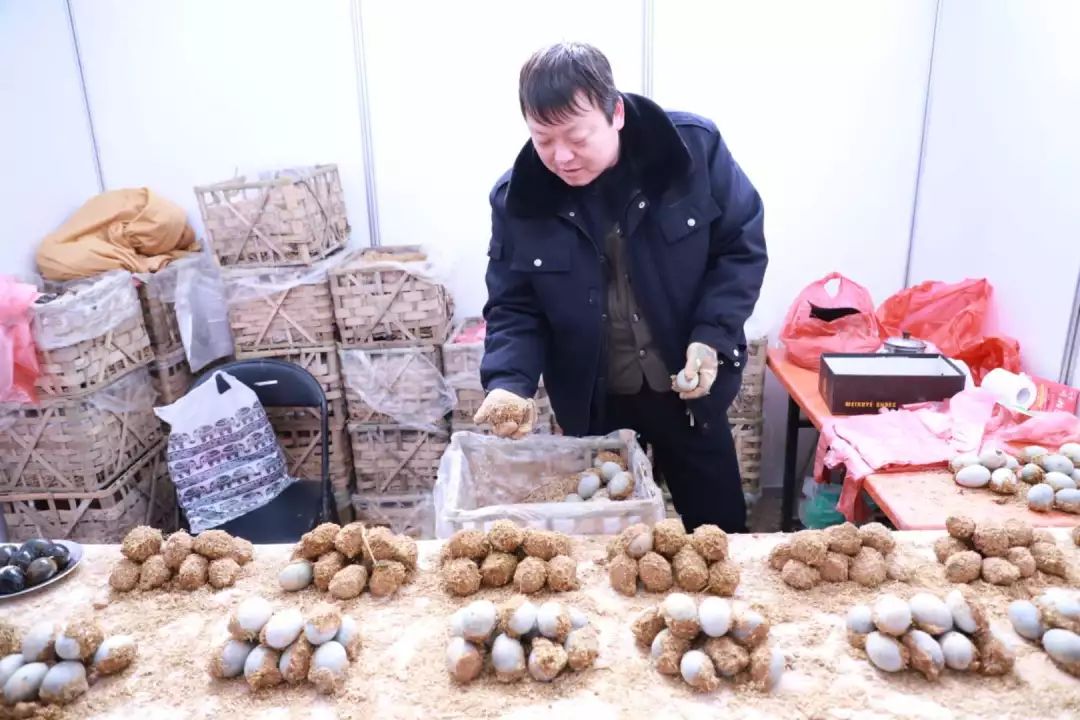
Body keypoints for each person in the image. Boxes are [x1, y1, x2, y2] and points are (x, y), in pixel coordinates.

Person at [474, 42, 767, 533]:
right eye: (543, 140)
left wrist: (711, 336)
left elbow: (740, 248)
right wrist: (508, 382)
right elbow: (514, 306)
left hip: (690, 391)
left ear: (615, 113)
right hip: (595, 404)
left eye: (576, 137)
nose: (561, 157)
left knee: (718, 534)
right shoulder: (520, 198)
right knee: (602, 542)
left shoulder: (692, 152)